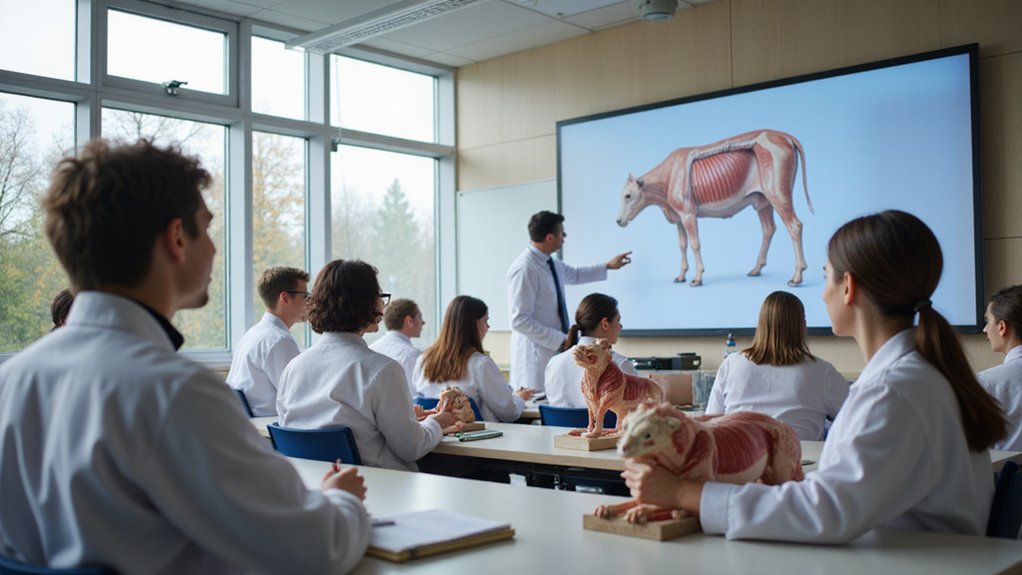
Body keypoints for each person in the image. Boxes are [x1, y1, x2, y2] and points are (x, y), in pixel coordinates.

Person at [0, 139, 370, 573]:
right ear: (177, 237)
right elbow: (314, 552)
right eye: (207, 228)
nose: (214, 249)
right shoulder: (175, 392)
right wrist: (341, 499)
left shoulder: (12, 381)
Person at [621, 210, 1008, 542]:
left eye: (824, 277)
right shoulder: (912, 376)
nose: (821, 294)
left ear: (848, 287)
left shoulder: (894, 391)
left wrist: (686, 493)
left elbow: (828, 512)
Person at [277, 259, 455, 471]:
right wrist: (438, 421)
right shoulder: (382, 370)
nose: (381, 305)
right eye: (379, 297)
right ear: (366, 303)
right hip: (382, 492)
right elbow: (411, 448)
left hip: (315, 489)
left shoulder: (292, 369)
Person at [506, 210, 631, 392]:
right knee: (540, 405)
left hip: (554, 350)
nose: (564, 237)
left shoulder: (550, 262)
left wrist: (608, 266)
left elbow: (575, 274)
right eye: (561, 233)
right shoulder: (525, 268)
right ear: (550, 237)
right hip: (536, 355)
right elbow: (519, 320)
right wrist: (561, 340)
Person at [704, 291, 849, 440]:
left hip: (742, 461)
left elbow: (711, 424)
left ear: (760, 324)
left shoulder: (731, 365)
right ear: (802, 326)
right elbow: (858, 418)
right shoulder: (822, 372)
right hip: (802, 461)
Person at [415, 295, 533, 422]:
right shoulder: (480, 365)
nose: (488, 327)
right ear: (473, 324)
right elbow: (509, 412)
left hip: (437, 438)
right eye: (485, 321)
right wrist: (519, 398)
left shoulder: (423, 360)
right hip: (476, 439)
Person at [226, 266, 310, 416]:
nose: (309, 302)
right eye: (305, 296)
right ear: (284, 298)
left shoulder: (252, 334)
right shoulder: (279, 341)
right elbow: (301, 398)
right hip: (270, 432)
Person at [544, 293, 638, 408]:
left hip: (559, 427)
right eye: (618, 320)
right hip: (602, 426)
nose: (620, 326)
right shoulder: (620, 364)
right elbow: (640, 410)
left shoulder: (554, 363)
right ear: (605, 324)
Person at [978, 284, 1022, 451]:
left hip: (1002, 475)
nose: (985, 329)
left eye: (988, 321)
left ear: (1002, 327)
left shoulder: (987, 382)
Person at [369, 297, 425, 398]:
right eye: (420, 317)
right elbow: (413, 398)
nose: (423, 322)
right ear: (409, 321)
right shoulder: (412, 355)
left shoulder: (371, 348)